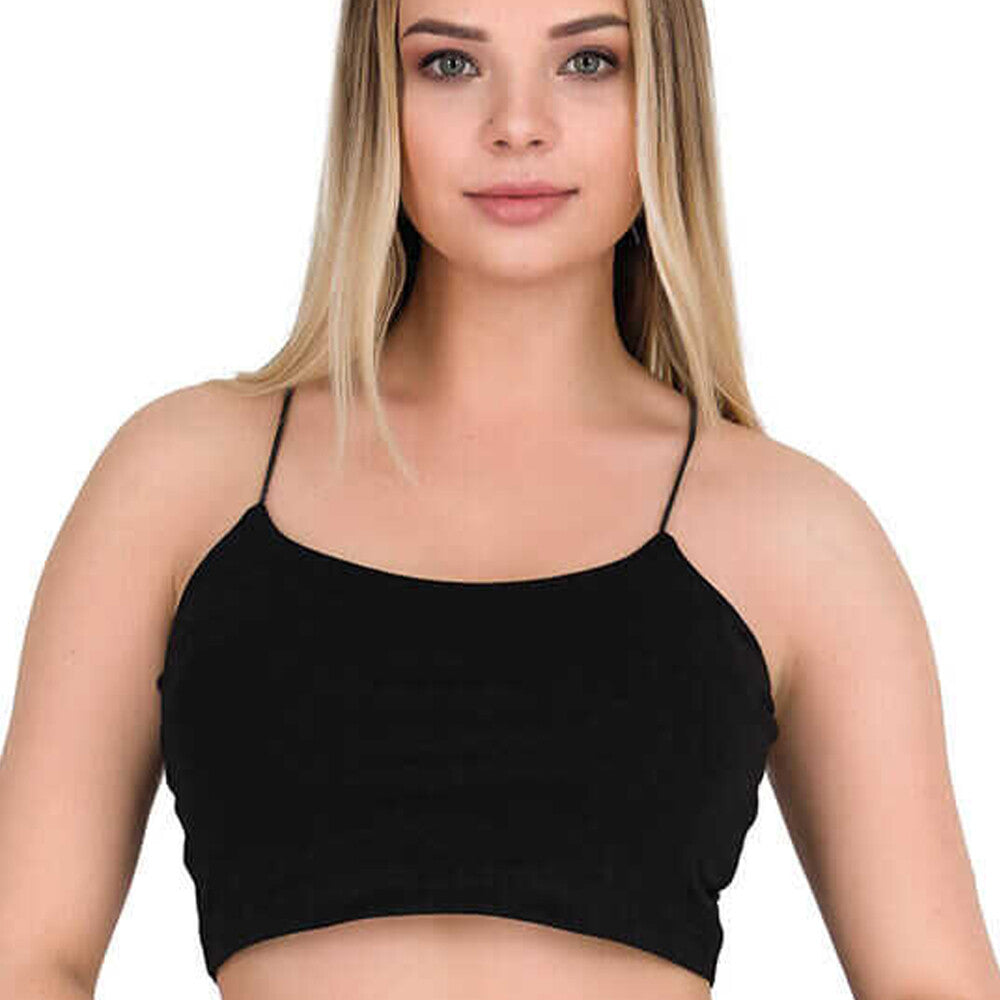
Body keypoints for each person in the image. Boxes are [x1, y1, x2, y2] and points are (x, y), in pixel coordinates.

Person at [1, 0, 998, 998]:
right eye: (449, 64)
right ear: (375, 100)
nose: (518, 125)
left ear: (666, 98)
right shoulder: (184, 478)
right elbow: (26, 954)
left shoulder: (794, 532)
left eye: (588, 62)